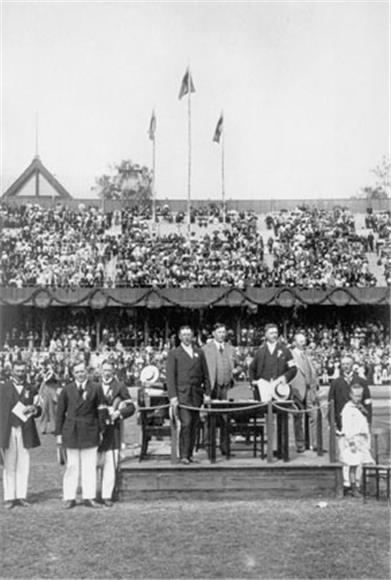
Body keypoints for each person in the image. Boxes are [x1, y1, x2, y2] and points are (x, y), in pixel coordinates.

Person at [55, 361, 105, 509]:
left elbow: (101, 411)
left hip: (90, 430)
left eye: (82, 371)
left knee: (89, 466)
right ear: (72, 374)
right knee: (72, 466)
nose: (80, 374)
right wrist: (58, 434)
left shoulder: (96, 388)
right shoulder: (67, 390)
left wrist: (101, 430)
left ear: (87, 372)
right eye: (77, 372)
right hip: (71, 430)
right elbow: (60, 414)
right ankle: (69, 497)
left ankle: (89, 497)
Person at [166, 326, 211, 465]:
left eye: (189, 334)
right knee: (186, 423)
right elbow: (170, 377)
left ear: (192, 336)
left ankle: (190, 454)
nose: (186, 337)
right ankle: (183, 455)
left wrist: (207, 393)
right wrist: (173, 397)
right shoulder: (174, 353)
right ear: (179, 337)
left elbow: (206, 375)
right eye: (184, 335)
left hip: (196, 395)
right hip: (182, 395)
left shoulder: (199, 352)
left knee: (195, 425)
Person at [0, 359, 41, 509]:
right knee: (9, 462)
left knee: (24, 463)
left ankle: (21, 496)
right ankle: (10, 497)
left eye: (23, 371)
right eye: (17, 371)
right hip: (8, 429)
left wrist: (34, 408)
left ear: (26, 371)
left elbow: (39, 409)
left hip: (25, 429)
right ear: (12, 371)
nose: (20, 374)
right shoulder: (3, 388)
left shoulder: (32, 388)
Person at [97, 360, 135, 507]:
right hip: (96, 430)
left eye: (109, 370)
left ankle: (107, 495)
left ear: (114, 372)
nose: (107, 373)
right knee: (93, 462)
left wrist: (119, 412)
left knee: (110, 463)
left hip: (114, 430)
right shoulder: (93, 386)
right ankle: (94, 493)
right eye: (104, 369)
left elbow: (131, 407)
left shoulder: (120, 386)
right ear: (100, 370)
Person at [203, 323, 238, 455]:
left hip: (227, 387)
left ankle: (225, 447)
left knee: (226, 418)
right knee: (209, 417)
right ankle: (209, 446)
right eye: (219, 332)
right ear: (213, 333)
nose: (222, 335)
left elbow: (239, 364)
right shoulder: (206, 349)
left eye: (224, 332)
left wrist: (236, 369)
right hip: (212, 387)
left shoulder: (230, 348)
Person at [339, 383, 375, 497]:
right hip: (353, 440)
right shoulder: (347, 409)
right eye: (356, 396)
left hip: (362, 439)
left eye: (360, 396)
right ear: (350, 395)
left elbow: (364, 421)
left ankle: (360, 485)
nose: (358, 398)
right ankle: (352, 487)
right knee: (352, 465)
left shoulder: (360, 408)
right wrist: (350, 441)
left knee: (363, 463)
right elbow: (347, 427)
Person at [289, 332, 319, 453]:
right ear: (295, 342)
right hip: (297, 391)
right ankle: (300, 444)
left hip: (309, 391)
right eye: (301, 341)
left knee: (315, 416)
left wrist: (315, 386)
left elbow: (312, 372)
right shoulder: (290, 355)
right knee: (298, 418)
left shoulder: (307, 356)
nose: (303, 343)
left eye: (304, 340)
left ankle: (316, 444)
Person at [328, 355, 372, 434]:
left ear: (352, 365)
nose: (346, 366)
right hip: (341, 421)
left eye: (348, 364)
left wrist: (368, 420)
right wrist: (332, 422)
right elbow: (331, 404)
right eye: (344, 364)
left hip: (358, 420)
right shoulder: (335, 383)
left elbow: (367, 402)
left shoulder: (362, 382)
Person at [249, 323, 297, 393]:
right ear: (266, 335)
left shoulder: (285, 350)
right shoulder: (260, 352)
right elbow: (252, 368)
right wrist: (252, 382)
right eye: (271, 333)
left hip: (280, 390)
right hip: (262, 390)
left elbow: (293, 369)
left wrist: (285, 377)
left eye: (276, 333)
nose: (274, 335)